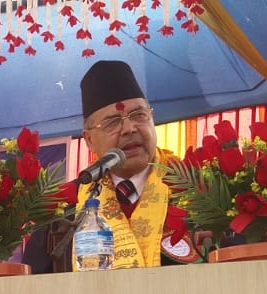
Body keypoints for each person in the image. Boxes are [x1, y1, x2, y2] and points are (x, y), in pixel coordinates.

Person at [25, 59, 197, 273]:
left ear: (152, 118)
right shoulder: (63, 210)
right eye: (112, 122)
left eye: (139, 115)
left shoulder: (195, 190)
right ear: (89, 140)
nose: (129, 128)